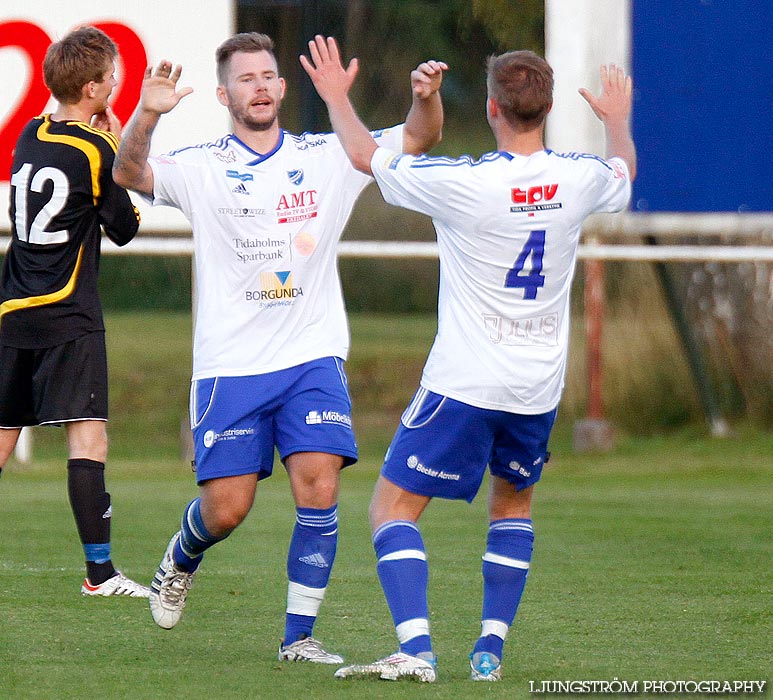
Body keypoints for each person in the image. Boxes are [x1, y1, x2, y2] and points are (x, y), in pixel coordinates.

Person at [302, 35, 636, 682]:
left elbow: (366, 156)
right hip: (536, 387)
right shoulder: (577, 177)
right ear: (545, 108)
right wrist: (616, 119)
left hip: (464, 380)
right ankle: (489, 650)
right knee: (512, 507)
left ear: (489, 108)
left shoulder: (464, 182)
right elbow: (621, 170)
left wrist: (337, 98)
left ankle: (416, 649)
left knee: (391, 510)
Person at [112, 32, 446, 662]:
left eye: (268, 75)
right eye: (246, 78)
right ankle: (180, 558)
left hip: (311, 358)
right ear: (223, 94)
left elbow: (418, 137)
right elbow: (128, 172)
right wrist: (148, 113)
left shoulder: (328, 155)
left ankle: (299, 639)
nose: (260, 86)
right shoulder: (204, 166)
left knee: (319, 486)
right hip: (229, 366)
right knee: (228, 508)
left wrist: (424, 98)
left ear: (284, 87)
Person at [0, 26, 146, 597]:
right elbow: (125, 227)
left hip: (13, 308)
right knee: (88, 441)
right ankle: (100, 574)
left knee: (5, 438)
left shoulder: (30, 135)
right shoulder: (96, 150)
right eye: (111, 77)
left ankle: (101, 574)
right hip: (68, 312)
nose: (115, 83)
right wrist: (112, 148)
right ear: (93, 90)